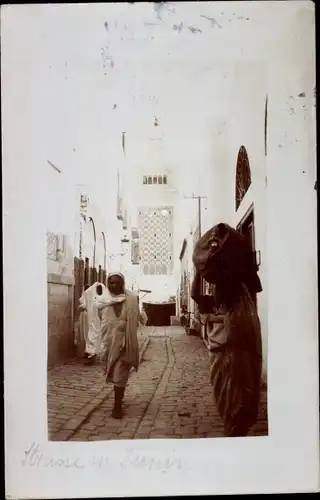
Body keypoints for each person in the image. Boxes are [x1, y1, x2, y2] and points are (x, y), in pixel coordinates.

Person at [192, 222, 263, 437]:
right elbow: (201, 302)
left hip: (235, 353)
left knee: (237, 399)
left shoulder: (239, 298)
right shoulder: (223, 292)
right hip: (220, 350)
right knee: (226, 397)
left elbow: (241, 330)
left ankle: (235, 432)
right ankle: (233, 428)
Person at [97, 272, 139, 419]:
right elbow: (101, 319)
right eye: (111, 283)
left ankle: (117, 406)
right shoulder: (103, 301)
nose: (113, 285)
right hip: (109, 343)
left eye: (116, 282)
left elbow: (137, 318)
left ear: (123, 283)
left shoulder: (132, 299)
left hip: (125, 342)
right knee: (113, 372)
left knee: (120, 374)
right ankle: (118, 400)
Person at [81, 282, 106, 365]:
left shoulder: (100, 301)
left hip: (98, 323)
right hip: (95, 323)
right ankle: (92, 358)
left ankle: (93, 359)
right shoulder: (97, 300)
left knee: (94, 340)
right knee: (92, 339)